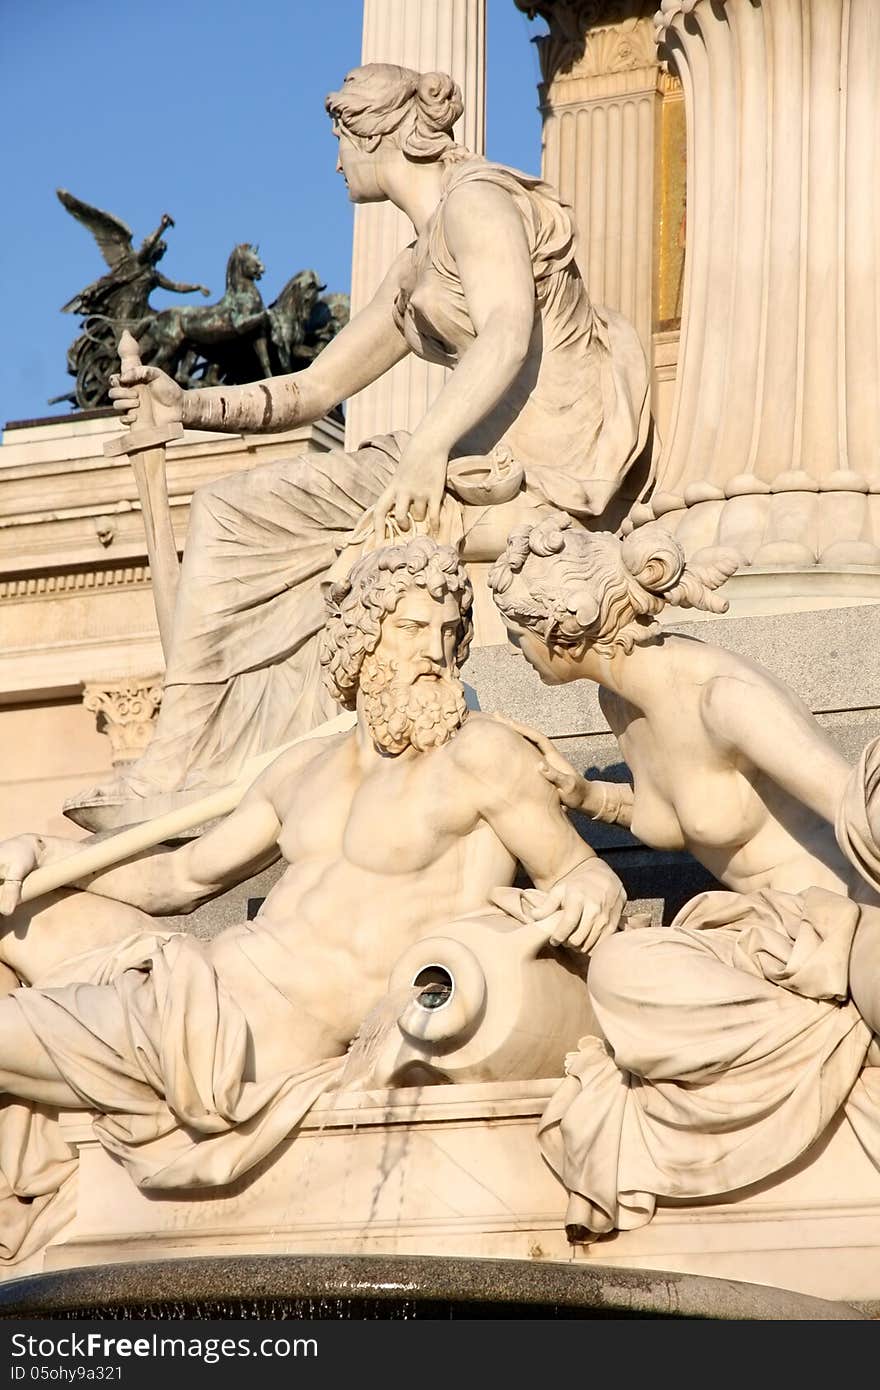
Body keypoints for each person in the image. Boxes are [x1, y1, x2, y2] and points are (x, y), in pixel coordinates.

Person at [0, 537, 624, 1263]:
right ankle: (32, 1189)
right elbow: (177, 881)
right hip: (190, 978)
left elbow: (581, 872)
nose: (436, 650)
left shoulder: (480, 755)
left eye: (451, 631)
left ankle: (34, 1209)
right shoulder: (301, 768)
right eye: (412, 627)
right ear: (363, 634)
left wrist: (583, 892)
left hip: (247, 1041)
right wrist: (42, 855)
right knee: (11, 908)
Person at [76, 61, 651, 823]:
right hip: (459, 448)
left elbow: (508, 334)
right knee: (226, 509)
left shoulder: (479, 203)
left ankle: (186, 755)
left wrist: (426, 451)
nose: (335, 161)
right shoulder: (417, 263)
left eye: (340, 140)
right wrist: (185, 404)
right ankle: (203, 751)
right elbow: (315, 389)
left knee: (273, 535)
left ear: (373, 133)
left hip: (540, 457)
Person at [488, 512, 880, 1239]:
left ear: (561, 630)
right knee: (625, 965)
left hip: (842, 919)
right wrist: (586, 797)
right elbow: (668, 811)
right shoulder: (620, 701)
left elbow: (850, 804)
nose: (517, 652)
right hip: (758, 934)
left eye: (518, 634)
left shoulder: (720, 697)